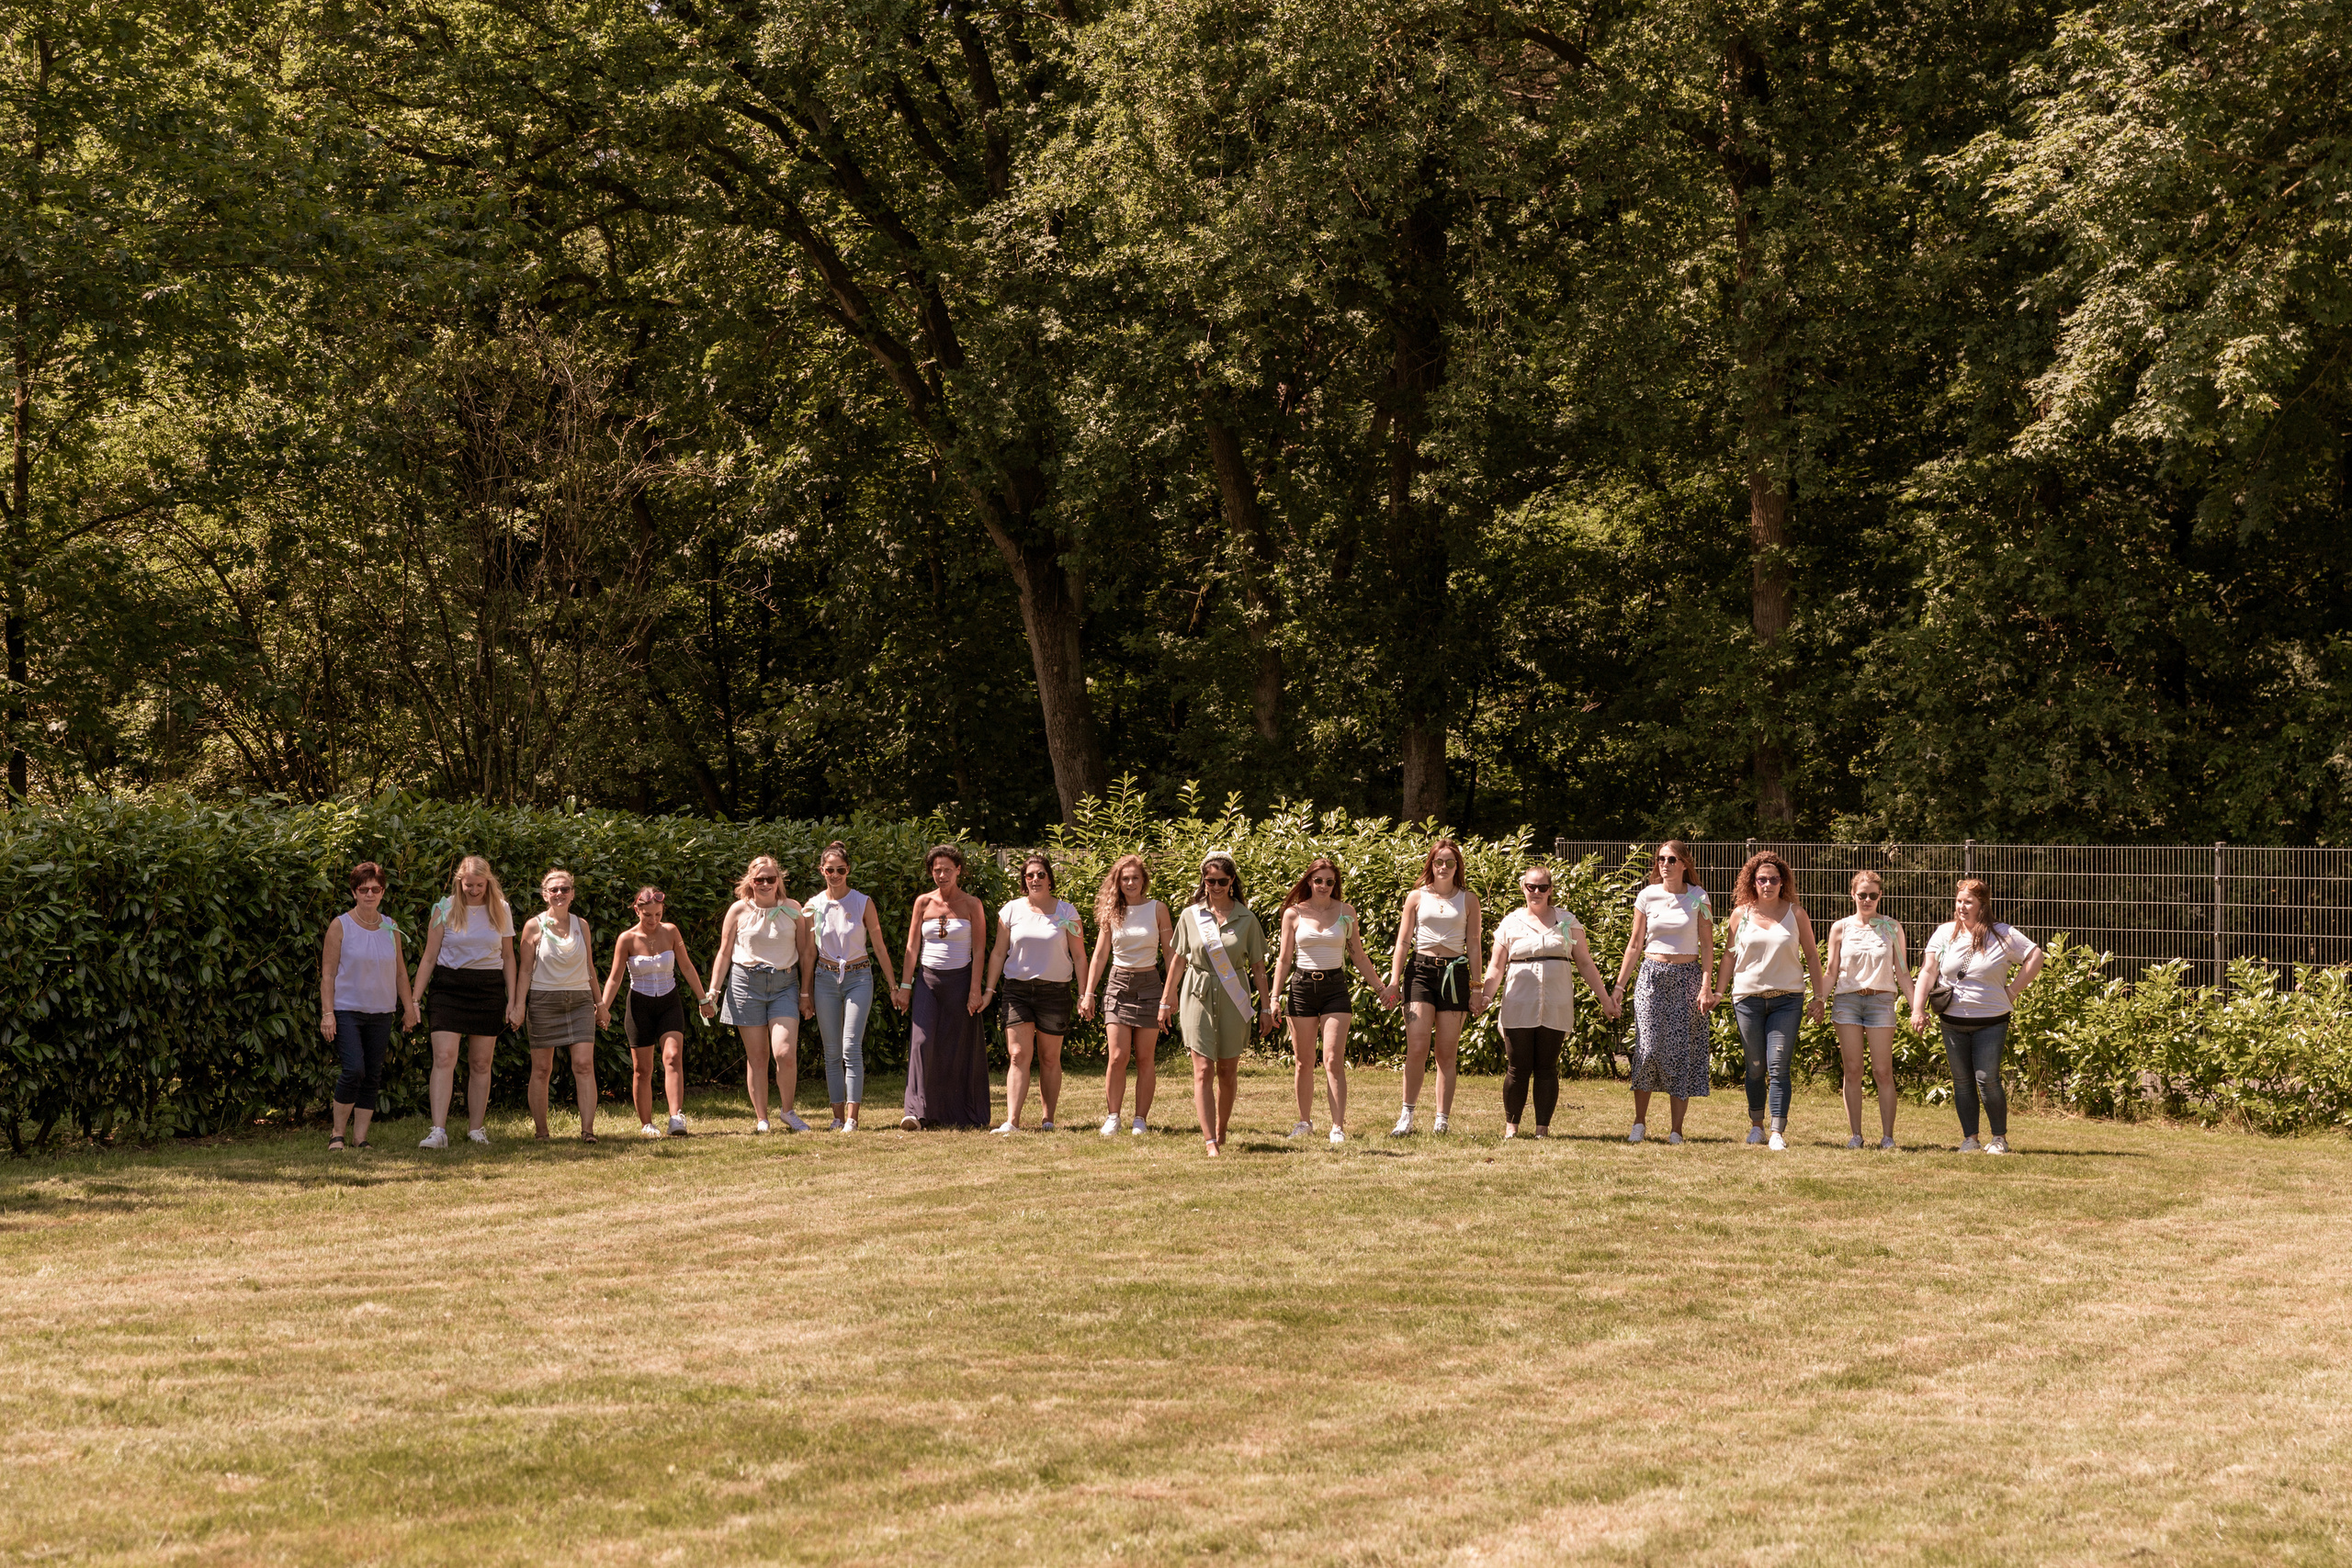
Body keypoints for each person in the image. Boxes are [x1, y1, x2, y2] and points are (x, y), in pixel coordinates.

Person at [1476, 864, 1615, 1138]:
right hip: (1518, 1003)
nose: (1536, 892)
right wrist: (1485, 997)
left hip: (1556, 1003)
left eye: (1542, 887)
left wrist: (1606, 1000)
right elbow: (1495, 966)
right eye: (1531, 887)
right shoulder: (1511, 922)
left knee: (1547, 1068)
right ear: (1523, 888)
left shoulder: (1568, 921)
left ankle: (1542, 1129)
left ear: (1551, 890)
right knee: (1517, 1068)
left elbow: (1585, 963)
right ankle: (1511, 1128)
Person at [1910, 878, 2045, 1154]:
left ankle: (1999, 1138)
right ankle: (1970, 1138)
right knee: (1961, 1081)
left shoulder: (2003, 934)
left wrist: (2012, 991)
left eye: (1968, 901)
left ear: (1982, 905)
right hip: (1952, 1021)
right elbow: (1928, 970)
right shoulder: (1945, 933)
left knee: (1986, 1078)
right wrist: (1917, 1008)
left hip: (1992, 1021)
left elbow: (2036, 956)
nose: (1961, 906)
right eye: (1959, 901)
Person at [1269, 857, 1396, 1144]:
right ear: (1309, 882)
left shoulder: (1345, 912)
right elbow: (1284, 959)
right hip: (1302, 987)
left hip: (1335, 989)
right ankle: (1304, 1122)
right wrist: (1274, 998)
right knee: (1303, 1061)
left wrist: (1381, 988)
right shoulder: (1294, 913)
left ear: (1335, 884)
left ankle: (1337, 1126)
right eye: (1318, 881)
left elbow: (1358, 955)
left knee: (1332, 1059)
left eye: (1329, 881)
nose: (1324, 886)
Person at [1705, 851, 1826, 1150]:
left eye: (1774, 879)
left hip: (1788, 999)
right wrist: (1718, 992)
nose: (1768, 884)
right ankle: (1756, 1126)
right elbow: (1729, 956)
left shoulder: (1796, 913)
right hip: (1747, 999)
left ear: (1782, 881)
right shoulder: (1740, 914)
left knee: (1778, 1064)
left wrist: (1819, 997)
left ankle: (1776, 1133)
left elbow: (1812, 955)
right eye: (1762, 879)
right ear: (1753, 881)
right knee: (1756, 1065)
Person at [1157, 852, 1274, 1156]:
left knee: (1227, 1072)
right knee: (1202, 1069)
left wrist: (1265, 1007)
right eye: (1210, 881)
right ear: (1204, 881)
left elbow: (1259, 967)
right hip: (1196, 993)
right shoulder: (1190, 916)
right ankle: (1210, 1141)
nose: (1216, 886)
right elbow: (1178, 961)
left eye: (1222, 881)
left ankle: (1221, 1130)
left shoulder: (1247, 919)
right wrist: (1166, 1001)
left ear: (1232, 881)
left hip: (1234, 997)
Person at [411, 854, 516, 1150]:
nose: (473, 890)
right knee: (444, 1057)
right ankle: (438, 1131)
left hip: (488, 988)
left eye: (479, 885)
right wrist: (414, 1000)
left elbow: (508, 957)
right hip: (449, 988)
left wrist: (513, 1000)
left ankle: (476, 1129)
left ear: (488, 882)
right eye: (468, 885)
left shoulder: (501, 909)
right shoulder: (443, 908)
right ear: (460, 881)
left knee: (482, 1063)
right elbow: (429, 956)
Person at [702, 855, 813, 1134]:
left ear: (779, 881)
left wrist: (805, 992)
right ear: (750, 881)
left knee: (785, 1052)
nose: (765, 883)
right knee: (758, 1057)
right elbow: (725, 952)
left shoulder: (793, 909)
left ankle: (788, 1112)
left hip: (784, 985)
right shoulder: (738, 910)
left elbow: (806, 953)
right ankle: (762, 1118)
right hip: (745, 985)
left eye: (770, 879)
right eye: (759, 879)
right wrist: (713, 991)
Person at [1610, 840, 1712, 1145]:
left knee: (1681, 1052)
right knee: (1649, 1049)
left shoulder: (1698, 897)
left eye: (1671, 859)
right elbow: (1634, 944)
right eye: (1660, 859)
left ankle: (1676, 1130)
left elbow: (1707, 944)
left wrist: (1706, 985)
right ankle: (1639, 1123)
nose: (1664, 864)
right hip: (1651, 977)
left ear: (1684, 864)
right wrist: (1619, 986)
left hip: (1688, 978)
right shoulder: (1647, 895)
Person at [317, 861, 419, 1151]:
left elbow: (400, 971)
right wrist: (328, 1014)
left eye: (375, 889)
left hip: (382, 1012)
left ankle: (360, 1138)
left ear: (383, 892)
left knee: (372, 1074)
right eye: (364, 889)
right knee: (354, 1069)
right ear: (354, 892)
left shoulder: (391, 927)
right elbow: (328, 973)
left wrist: (409, 1008)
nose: (370, 894)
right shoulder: (340, 926)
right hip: (347, 1010)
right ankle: (337, 1133)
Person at [983, 852, 1088, 1134]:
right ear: (1023, 881)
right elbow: (998, 953)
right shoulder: (1010, 911)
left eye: (1041, 874)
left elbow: (1079, 956)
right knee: (1017, 1054)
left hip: (1055, 991)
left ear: (1050, 879)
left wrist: (1084, 993)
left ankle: (1048, 1119)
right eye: (1030, 875)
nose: (1035, 879)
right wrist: (989, 990)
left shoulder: (1067, 912)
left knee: (1050, 1058)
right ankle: (1012, 1122)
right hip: (1017, 990)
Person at [1385, 839, 1483, 1135]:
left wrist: (1477, 987)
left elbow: (1475, 945)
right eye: (1438, 862)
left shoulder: (1469, 900)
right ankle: (1407, 1116)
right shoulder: (1416, 897)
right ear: (1431, 864)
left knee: (1446, 1052)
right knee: (1417, 1046)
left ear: (1457, 867)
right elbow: (1403, 942)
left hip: (1455, 975)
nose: (1443, 867)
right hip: (1420, 972)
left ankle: (1442, 1119)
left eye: (1450, 863)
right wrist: (1392, 980)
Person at [803, 841, 899, 1132]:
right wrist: (805, 992)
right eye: (829, 870)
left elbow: (880, 947)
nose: (834, 875)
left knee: (850, 1046)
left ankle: (853, 1119)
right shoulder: (814, 905)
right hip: (824, 978)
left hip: (859, 976)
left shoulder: (862, 902)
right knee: (831, 1051)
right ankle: (837, 1116)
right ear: (822, 871)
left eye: (840, 870)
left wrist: (894, 985)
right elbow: (808, 952)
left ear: (848, 871)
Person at [892, 844, 990, 1130]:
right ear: (931, 873)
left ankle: (963, 1113)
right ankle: (916, 1112)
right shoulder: (923, 903)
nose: (942, 875)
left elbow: (980, 950)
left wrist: (975, 989)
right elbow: (912, 947)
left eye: (948, 869)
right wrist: (906, 986)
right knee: (922, 1043)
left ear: (959, 870)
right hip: (927, 981)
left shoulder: (972, 905)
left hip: (961, 982)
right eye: (937, 870)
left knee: (958, 1044)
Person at [599, 885, 707, 1138]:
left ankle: (676, 1117)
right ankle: (647, 1123)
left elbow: (688, 967)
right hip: (639, 1006)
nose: (653, 920)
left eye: (658, 914)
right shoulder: (627, 939)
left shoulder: (670, 932)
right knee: (642, 1069)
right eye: (647, 915)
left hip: (669, 1002)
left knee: (672, 1056)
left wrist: (703, 999)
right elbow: (614, 979)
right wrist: (603, 1007)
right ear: (637, 910)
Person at [509, 866, 605, 1142]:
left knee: (584, 1065)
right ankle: (542, 1133)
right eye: (554, 890)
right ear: (545, 894)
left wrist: (600, 1004)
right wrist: (518, 1006)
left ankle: (588, 1131)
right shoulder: (533, 925)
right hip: (543, 1001)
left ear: (573, 894)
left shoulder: (581, 925)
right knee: (541, 1069)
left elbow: (589, 967)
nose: (560, 893)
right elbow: (524, 971)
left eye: (565, 889)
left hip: (580, 1002)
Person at [1080, 854, 1170, 1136]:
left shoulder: (1158, 909)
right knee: (1117, 1056)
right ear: (1117, 882)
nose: (1130, 883)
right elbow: (1100, 955)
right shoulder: (1112, 911)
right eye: (1125, 878)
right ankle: (1113, 1116)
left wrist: (1171, 993)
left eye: (1135, 878)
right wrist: (1089, 993)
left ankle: (1140, 1119)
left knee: (1145, 1057)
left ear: (1144, 880)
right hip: (1118, 984)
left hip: (1150, 985)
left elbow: (1170, 953)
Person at [1823, 870, 1909, 1149]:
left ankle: (1888, 1137)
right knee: (1853, 1070)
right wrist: (1819, 1000)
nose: (1867, 900)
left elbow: (1903, 972)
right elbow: (1831, 970)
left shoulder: (1892, 927)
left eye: (1873, 895)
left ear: (1880, 896)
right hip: (1847, 1002)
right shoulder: (1840, 928)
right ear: (1853, 895)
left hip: (1881, 1001)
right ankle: (1856, 1136)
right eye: (1862, 895)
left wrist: (1917, 1008)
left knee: (1883, 1071)